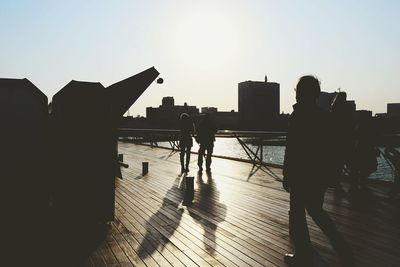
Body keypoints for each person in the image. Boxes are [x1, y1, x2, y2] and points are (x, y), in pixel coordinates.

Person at [283, 76, 353, 266]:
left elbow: (293, 148)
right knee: (316, 210)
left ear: (300, 92)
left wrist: (287, 174)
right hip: (317, 175)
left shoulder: (298, 116)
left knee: (297, 213)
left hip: (300, 173)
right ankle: (342, 249)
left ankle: (303, 254)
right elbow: (329, 148)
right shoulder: (323, 117)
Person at [330, 92, 355, 193]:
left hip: (336, 141)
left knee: (338, 165)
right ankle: (353, 184)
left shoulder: (333, 109)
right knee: (351, 164)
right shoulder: (347, 108)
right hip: (347, 140)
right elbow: (351, 123)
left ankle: (337, 184)